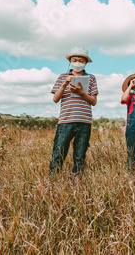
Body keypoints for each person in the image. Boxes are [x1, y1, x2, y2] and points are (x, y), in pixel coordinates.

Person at [49, 46, 98, 175]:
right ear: (70, 61)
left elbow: (93, 101)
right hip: (65, 121)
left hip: (84, 122)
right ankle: (53, 181)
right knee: (58, 153)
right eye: (75, 59)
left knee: (80, 156)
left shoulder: (91, 78)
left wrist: (81, 93)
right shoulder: (62, 77)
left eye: (81, 60)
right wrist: (64, 84)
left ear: (86, 62)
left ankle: (76, 182)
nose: (77, 62)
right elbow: (55, 99)